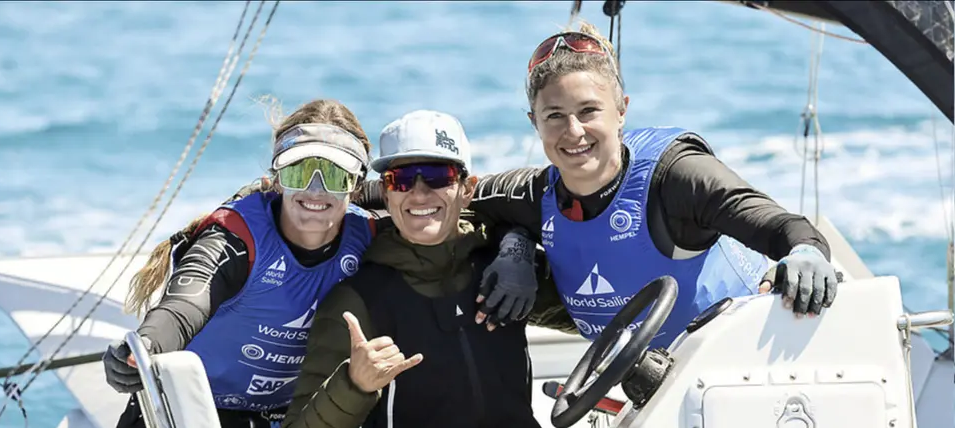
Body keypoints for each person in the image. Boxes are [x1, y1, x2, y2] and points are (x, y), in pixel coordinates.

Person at [277, 110, 611, 428]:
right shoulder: (357, 300)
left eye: (436, 177)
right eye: (400, 179)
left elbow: (599, 306)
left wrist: (520, 249)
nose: (418, 194)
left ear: (466, 187)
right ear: (384, 193)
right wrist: (355, 384)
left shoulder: (503, 273)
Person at [357, 23, 840, 346]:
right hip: (646, 393)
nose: (574, 132)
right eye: (555, 117)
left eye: (589, 112)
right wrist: (516, 250)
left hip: (748, 367)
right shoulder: (535, 195)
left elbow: (783, 227)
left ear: (622, 109)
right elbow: (428, 193)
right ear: (534, 122)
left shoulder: (675, 178)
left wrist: (806, 254)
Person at [100, 98, 378, 428]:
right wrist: (144, 347)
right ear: (275, 177)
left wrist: (513, 249)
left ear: (357, 184)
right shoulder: (235, 236)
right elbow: (184, 304)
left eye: (334, 175)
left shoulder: (367, 235)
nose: (315, 189)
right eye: (298, 171)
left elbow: (448, 209)